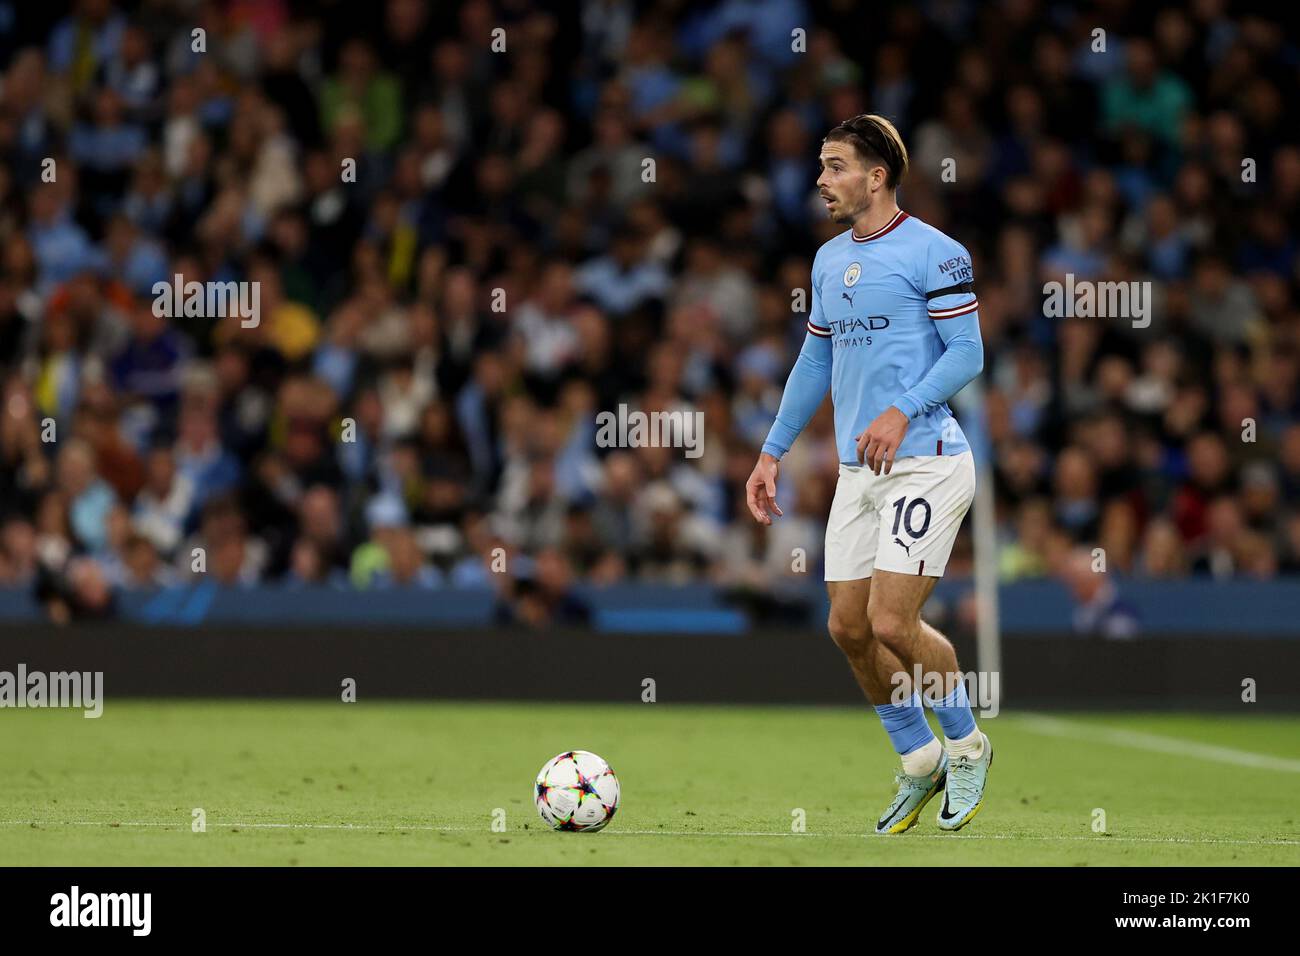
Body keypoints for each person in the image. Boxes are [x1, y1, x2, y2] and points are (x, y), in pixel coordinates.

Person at [745, 114, 990, 833]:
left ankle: (969, 746)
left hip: (928, 460)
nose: (820, 180)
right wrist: (772, 451)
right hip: (861, 470)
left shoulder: (936, 253)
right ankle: (919, 761)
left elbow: (967, 352)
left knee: (891, 619)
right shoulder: (827, 261)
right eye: (821, 166)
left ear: (875, 176)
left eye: (834, 166)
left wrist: (900, 408)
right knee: (849, 628)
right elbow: (815, 361)